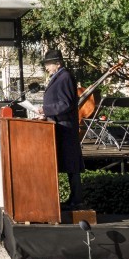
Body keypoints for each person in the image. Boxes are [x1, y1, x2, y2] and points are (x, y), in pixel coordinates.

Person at [36, 48, 86, 208]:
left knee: (71, 165)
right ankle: (74, 198)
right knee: (69, 165)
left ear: (58, 64)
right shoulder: (59, 76)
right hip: (58, 126)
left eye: (49, 64)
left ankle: (77, 200)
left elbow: (65, 103)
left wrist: (46, 110)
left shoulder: (64, 77)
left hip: (64, 128)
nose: (47, 68)